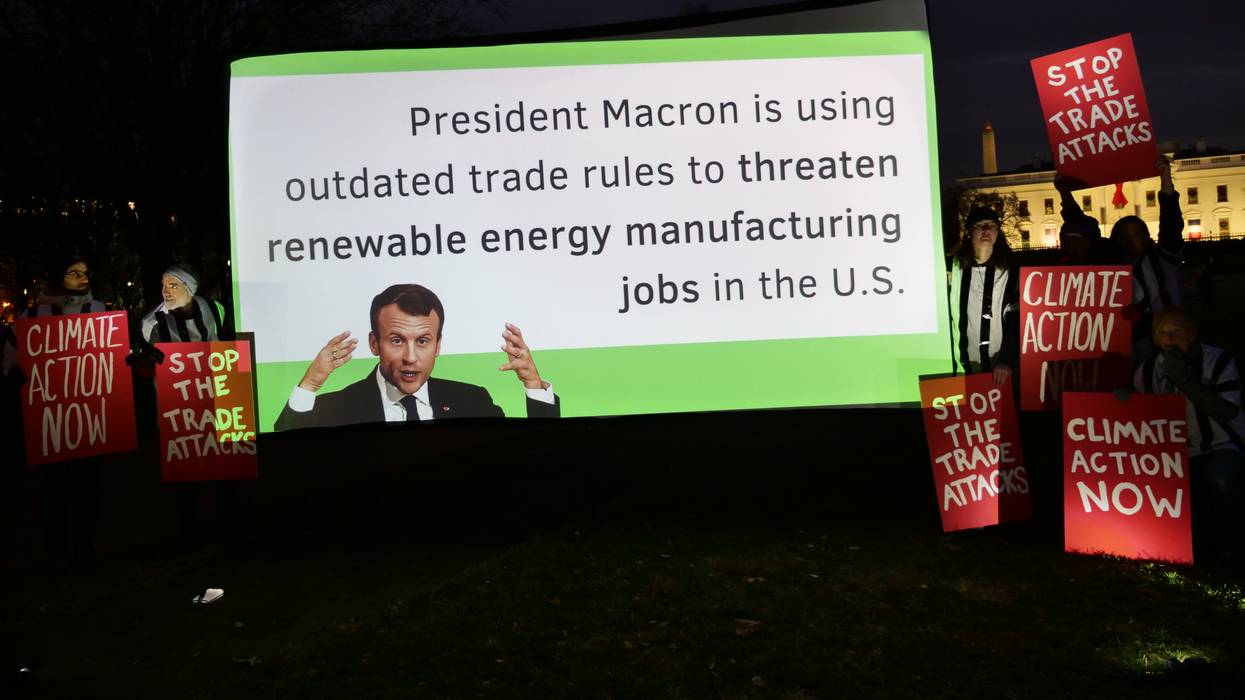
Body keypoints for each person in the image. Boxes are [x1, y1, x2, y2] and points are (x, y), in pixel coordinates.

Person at [275, 283, 560, 431]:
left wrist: (533, 385)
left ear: (437, 346)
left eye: (423, 341)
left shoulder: (473, 402)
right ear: (374, 344)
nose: (410, 357)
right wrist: (309, 385)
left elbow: (533, 461)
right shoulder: (333, 409)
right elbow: (288, 463)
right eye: (397, 340)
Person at [1134, 307, 1244, 556]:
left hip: (1221, 443)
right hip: (1174, 453)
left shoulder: (1218, 360)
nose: (1169, 339)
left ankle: (1234, 545)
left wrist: (1183, 378)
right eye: (1163, 333)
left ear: (1192, 334)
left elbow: (1227, 411)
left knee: (1222, 479)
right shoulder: (1147, 371)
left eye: (1177, 331)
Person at [1109, 156, 1184, 363]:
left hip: (1168, 334)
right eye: (1123, 236)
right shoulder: (1113, 267)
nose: (1130, 240)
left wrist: (1166, 181)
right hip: (1132, 341)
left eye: (1136, 234)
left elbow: (1171, 225)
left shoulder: (1164, 257)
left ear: (1148, 236)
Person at [948, 206, 1018, 387]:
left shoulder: (1010, 271)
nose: (986, 229)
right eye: (980, 225)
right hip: (963, 365)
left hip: (999, 366)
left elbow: (1016, 319)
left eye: (991, 225)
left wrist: (1006, 360)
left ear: (997, 232)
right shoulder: (953, 269)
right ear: (968, 232)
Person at [139, 263, 229, 343]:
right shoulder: (153, 323)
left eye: (173, 286)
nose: (165, 292)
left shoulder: (214, 309)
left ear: (189, 288)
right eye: (164, 286)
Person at [1054, 177, 1122, 266]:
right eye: (1064, 240)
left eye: (1074, 238)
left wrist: (1064, 192)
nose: (1069, 244)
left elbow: (1074, 214)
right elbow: (1073, 214)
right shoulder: (1062, 264)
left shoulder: (1108, 261)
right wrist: (1064, 191)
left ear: (1089, 240)